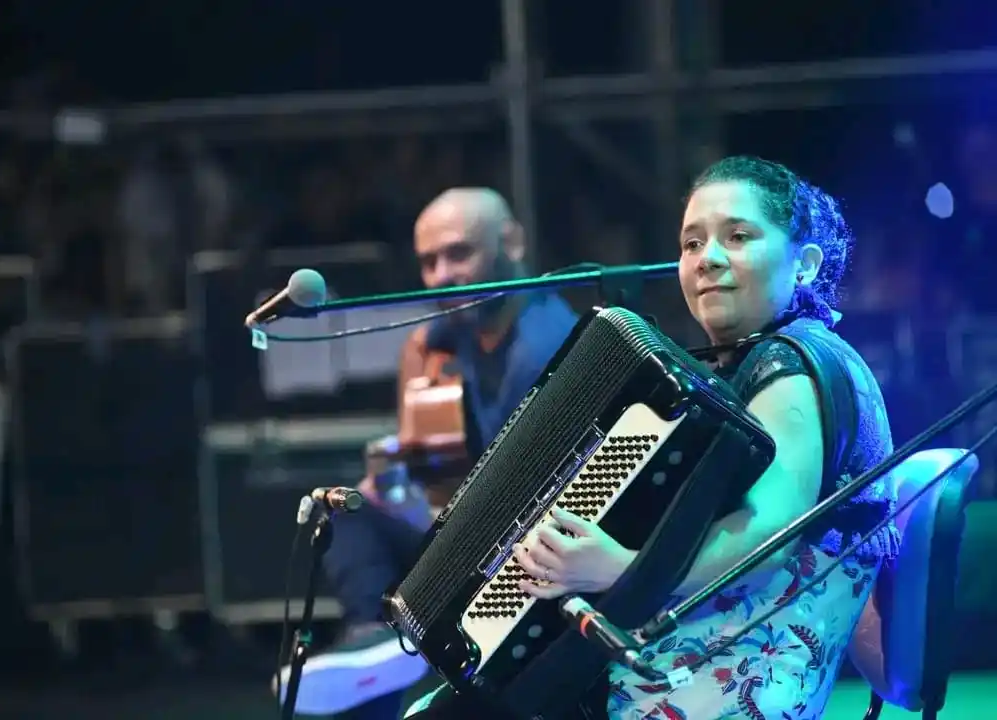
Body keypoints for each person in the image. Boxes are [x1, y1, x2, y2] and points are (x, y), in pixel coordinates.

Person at [405, 156, 900, 720]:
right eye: (692, 244)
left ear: (805, 264)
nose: (707, 259)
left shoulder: (792, 367)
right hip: (711, 648)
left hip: (734, 673)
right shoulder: (775, 360)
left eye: (738, 236)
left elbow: (769, 535)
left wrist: (621, 567)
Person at [275, 187, 580, 718]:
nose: (442, 275)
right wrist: (399, 470)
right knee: (346, 509)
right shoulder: (461, 327)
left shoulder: (544, 344)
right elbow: (423, 356)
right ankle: (373, 638)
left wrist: (429, 509)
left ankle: (387, 653)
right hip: (458, 521)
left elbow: (527, 491)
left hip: (516, 552)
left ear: (511, 242)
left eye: (459, 254)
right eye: (428, 262)